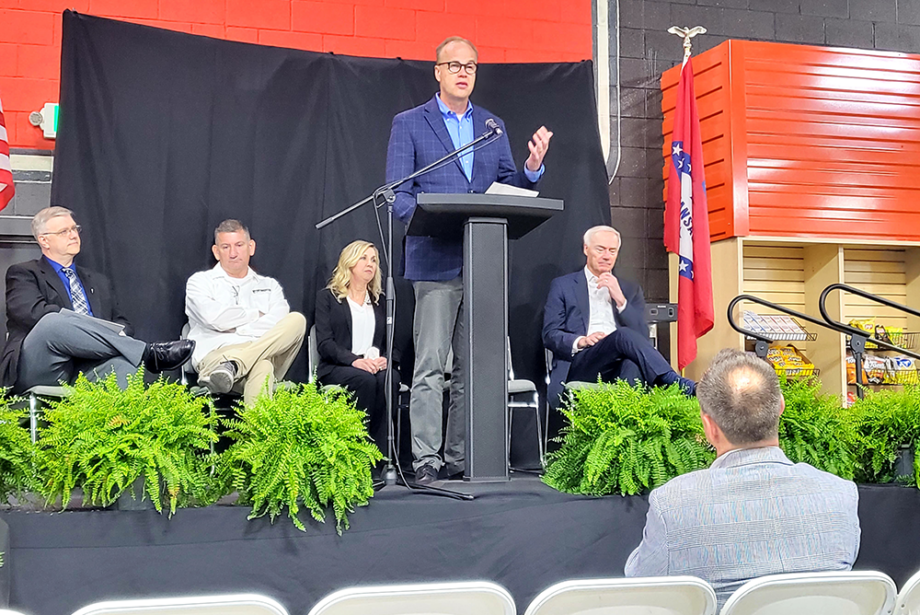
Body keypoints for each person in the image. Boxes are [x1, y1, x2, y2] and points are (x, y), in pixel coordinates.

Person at [386, 35, 553, 485]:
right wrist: (429, 220)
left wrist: (531, 169)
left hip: (481, 264)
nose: (463, 73)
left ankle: (460, 457)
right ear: (437, 72)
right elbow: (398, 193)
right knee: (429, 366)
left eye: (471, 66)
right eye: (454, 65)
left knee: (471, 369)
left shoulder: (491, 126)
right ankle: (425, 458)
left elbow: (507, 188)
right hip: (434, 261)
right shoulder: (410, 123)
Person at [625, 348, 860, 607]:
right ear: (781, 406)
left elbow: (640, 586)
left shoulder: (672, 504)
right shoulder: (841, 495)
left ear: (709, 427)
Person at [0, 206, 194, 392]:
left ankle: (119, 414)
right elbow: (32, 314)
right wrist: (83, 326)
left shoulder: (98, 281)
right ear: (44, 240)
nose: (73, 235)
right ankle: (147, 353)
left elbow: (121, 324)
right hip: (43, 364)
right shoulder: (24, 273)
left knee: (125, 367)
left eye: (75, 229)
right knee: (52, 321)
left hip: (89, 364)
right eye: (64, 231)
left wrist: (102, 334)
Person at [543, 225, 694, 395]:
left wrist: (621, 300)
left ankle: (627, 411)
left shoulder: (630, 290)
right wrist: (582, 340)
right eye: (600, 249)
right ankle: (673, 382)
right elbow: (550, 334)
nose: (606, 256)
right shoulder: (564, 286)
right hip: (583, 362)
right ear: (586, 249)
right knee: (622, 335)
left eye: (612, 251)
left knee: (633, 363)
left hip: (618, 365)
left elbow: (642, 336)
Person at [185, 219, 305, 405]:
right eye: (226, 247)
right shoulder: (200, 282)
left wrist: (236, 328)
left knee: (297, 320)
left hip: (264, 353)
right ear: (216, 252)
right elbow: (214, 318)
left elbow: (279, 322)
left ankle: (234, 365)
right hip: (217, 357)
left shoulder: (270, 286)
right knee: (263, 366)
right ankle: (258, 426)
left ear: (251, 247)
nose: (233, 253)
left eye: (239, 245)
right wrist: (254, 315)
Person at [314, 241, 398, 454]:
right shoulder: (328, 298)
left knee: (389, 379)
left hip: (373, 365)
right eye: (363, 258)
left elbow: (392, 343)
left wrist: (386, 358)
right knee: (364, 380)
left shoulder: (380, 301)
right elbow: (325, 344)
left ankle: (381, 454)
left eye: (374, 260)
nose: (370, 264)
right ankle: (357, 450)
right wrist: (355, 361)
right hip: (339, 366)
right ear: (349, 262)